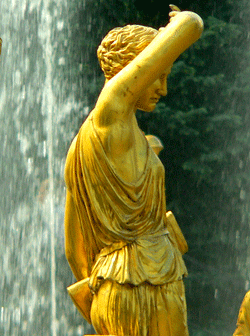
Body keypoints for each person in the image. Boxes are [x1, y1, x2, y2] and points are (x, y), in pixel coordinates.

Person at [64, 7, 203, 336]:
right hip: (145, 281)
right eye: (159, 73)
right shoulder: (111, 110)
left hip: (119, 281)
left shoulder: (82, 145)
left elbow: (74, 250)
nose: (163, 88)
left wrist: (101, 291)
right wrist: (174, 21)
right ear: (134, 68)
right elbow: (192, 24)